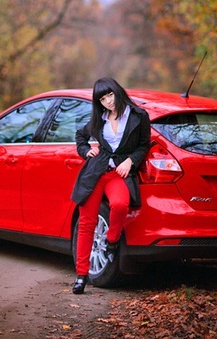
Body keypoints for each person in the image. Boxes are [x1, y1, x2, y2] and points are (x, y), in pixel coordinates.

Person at [71, 77, 151, 294]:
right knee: (86, 222)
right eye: (102, 99)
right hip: (96, 173)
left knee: (120, 205)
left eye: (110, 95)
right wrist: (86, 151)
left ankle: (112, 239)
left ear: (117, 91)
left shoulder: (138, 116)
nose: (108, 101)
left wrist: (131, 161)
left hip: (118, 174)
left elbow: (144, 145)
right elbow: (80, 136)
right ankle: (81, 276)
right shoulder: (99, 118)